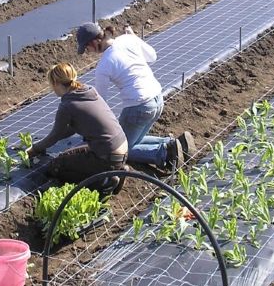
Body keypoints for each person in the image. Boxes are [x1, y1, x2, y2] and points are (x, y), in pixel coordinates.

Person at [76, 21, 193, 174]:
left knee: (119, 150)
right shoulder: (127, 39)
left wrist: (91, 128)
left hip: (138, 107)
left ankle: (165, 153)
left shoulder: (104, 65)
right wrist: (134, 37)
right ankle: (173, 144)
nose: (88, 52)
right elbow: (152, 56)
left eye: (87, 48)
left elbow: (101, 103)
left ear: (94, 42)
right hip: (157, 99)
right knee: (134, 140)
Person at [27, 62, 129, 191]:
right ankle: (117, 170)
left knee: (56, 167)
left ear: (56, 84)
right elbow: (71, 129)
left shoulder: (68, 105)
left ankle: (105, 181)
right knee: (67, 155)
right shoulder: (88, 91)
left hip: (106, 155)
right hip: (122, 148)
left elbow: (55, 135)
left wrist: (34, 149)